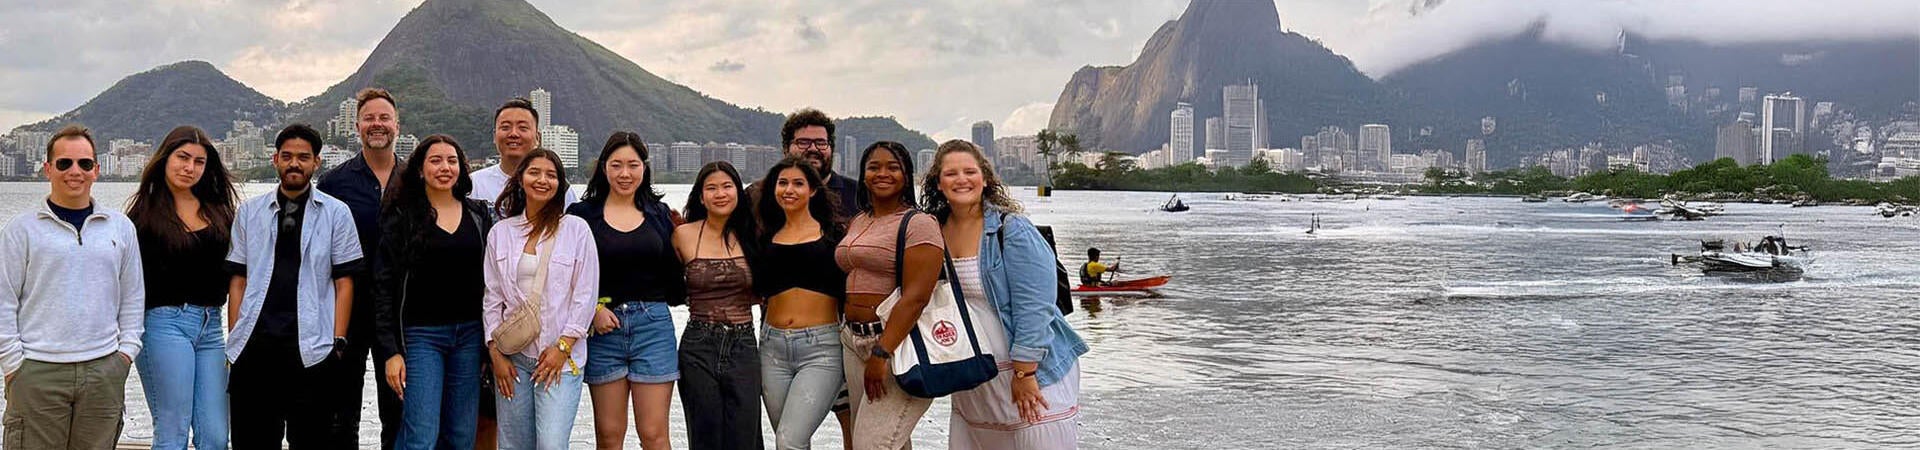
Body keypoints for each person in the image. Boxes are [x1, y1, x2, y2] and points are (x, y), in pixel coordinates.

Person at [925, 140, 1090, 448]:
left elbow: (1036, 305)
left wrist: (1025, 374)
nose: (961, 179)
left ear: (985, 178)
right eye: (951, 173)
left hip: (1030, 372)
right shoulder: (934, 231)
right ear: (938, 183)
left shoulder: (1010, 229)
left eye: (969, 171)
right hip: (976, 379)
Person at [0, 124, 146, 450]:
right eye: (64, 163)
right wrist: (13, 365)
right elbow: (3, 302)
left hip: (104, 369)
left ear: (96, 170)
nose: (74, 172)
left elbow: (133, 297)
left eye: (84, 163)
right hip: (38, 371)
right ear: (48, 169)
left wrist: (125, 354)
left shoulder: (121, 228)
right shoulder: (20, 231)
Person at [225, 124, 366, 449]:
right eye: (287, 156)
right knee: (251, 441)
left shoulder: (336, 213)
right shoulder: (249, 213)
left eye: (303, 157)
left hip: (312, 352)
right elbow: (239, 279)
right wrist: (236, 340)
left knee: (313, 441)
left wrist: (338, 341)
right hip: (255, 352)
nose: (294, 164)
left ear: (317, 163)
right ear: (275, 159)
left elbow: (344, 281)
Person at [371, 135, 494, 450]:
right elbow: (383, 288)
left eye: (452, 160)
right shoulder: (402, 218)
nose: (445, 167)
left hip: (469, 337)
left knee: (461, 435)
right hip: (421, 337)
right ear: (420, 170)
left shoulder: (479, 215)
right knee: (421, 434)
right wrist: (390, 352)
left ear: (461, 168)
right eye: (435, 160)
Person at [566, 132, 684, 450]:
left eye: (633, 165)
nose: (625, 173)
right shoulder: (581, 215)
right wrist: (592, 309)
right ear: (603, 167)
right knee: (608, 434)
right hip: (603, 331)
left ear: (644, 168)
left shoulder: (660, 214)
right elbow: (565, 276)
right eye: (616, 165)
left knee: (654, 434)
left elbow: (678, 273)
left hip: (653, 327)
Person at [127, 125, 238, 450]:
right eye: (183, 157)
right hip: (164, 324)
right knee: (172, 431)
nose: (190, 167)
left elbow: (240, 274)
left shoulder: (220, 213)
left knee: (216, 436)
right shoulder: (143, 217)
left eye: (199, 162)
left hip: (212, 329)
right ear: (165, 158)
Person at [482, 148, 598, 450]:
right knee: (513, 444)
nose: (542, 180)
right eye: (535, 172)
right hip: (513, 358)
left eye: (551, 175)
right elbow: (492, 298)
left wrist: (563, 347)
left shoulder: (576, 230)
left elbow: (585, 295)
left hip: (560, 356)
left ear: (560, 183)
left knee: (551, 444)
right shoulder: (501, 233)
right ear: (520, 179)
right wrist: (495, 353)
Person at [833, 141, 944, 450]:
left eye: (892, 167)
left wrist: (883, 353)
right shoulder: (860, 220)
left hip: (893, 345)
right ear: (863, 174)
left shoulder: (919, 223)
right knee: (882, 440)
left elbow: (917, 297)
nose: (882, 173)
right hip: (852, 341)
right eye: (874, 167)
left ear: (906, 176)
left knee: (872, 444)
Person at [316, 87, 406, 449]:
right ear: (357, 126)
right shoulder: (334, 183)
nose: (377, 124)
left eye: (384, 117)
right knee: (341, 411)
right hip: (347, 308)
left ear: (397, 125)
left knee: (398, 411)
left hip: (399, 312)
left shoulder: (415, 179)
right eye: (369, 118)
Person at [754, 158, 848, 449]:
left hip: (821, 349)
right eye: (782, 183)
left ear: (813, 191)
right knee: (792, 441)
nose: (789, 190)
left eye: (798, 183)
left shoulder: (834, 235)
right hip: (772, 348)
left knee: (788, 442)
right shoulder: (764, 237)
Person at [777, 108, 858, 444]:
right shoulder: (765, 195)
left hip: (848, 330)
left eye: (821, 143)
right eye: (803, 142)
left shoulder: (858, 195)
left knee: (854, 421)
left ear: (832, 148)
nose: (813, 149)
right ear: (787, 149)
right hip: (780, 334)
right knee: (790, 433)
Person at [672, 161, 763, 450]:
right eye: (711, 188)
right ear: (700, 196)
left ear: (738, 191)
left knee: (745, 435)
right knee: (704, 434)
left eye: (727, 186)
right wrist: (602, 304)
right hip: (698, 344)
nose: (720, 193)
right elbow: (661, 284)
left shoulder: (755, 235)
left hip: (744, 344)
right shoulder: (682, 235)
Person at [472, 98, 579, 212]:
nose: (513, 134)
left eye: (523, 128)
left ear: (537, 137)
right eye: (505, 127)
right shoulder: (474, 184)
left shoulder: (557, 188)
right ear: (494, 136)